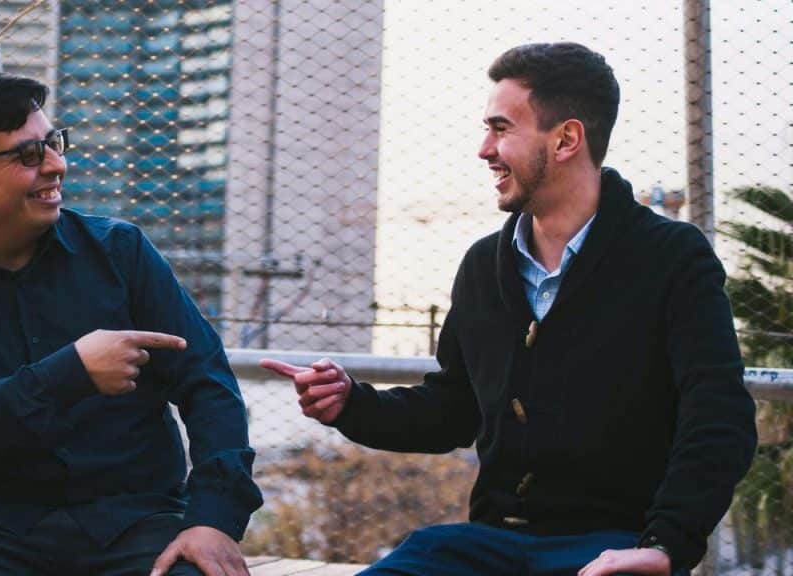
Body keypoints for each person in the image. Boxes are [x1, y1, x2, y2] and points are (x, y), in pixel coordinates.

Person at [261, 42, 757, 576]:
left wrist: (663, 545)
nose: (483, 149)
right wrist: (350, 406)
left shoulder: (672, 258)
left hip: (617, 546)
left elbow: (719, 417)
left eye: (501, 129)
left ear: (566, 138)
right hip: (488, 546)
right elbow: (452, 410)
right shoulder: (482, 267)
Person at [0, 73, 262, 576]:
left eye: (54, 143)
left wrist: (212, 518)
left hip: (139, 519)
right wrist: (71, 373)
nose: (57, 165)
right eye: (27, 155)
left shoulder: (121, 253)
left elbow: (208, 383)